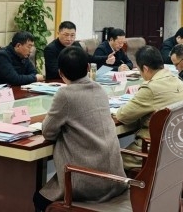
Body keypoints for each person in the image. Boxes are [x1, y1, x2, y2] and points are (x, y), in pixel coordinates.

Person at [33, 46, 127, 211]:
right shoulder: (99, 88)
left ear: (61, 73)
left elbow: (48, 132)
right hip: (115, 177)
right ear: (88, 68)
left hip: (87, 180)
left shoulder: (65, 94)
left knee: (39, 199)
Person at [116, 45, 183, 170]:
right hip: (175, 146)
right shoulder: (180, 83)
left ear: (145, 68)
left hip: (150, 150)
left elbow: (122, 116)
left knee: (110, 159)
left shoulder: (151, 88)